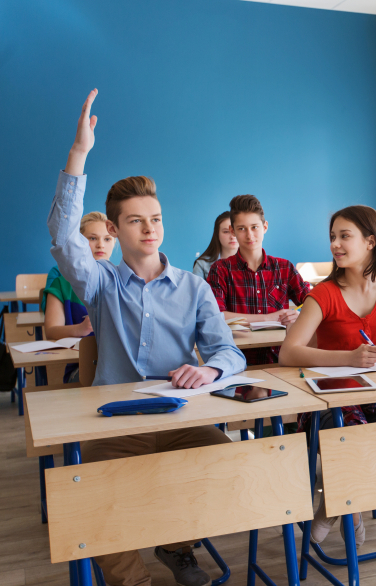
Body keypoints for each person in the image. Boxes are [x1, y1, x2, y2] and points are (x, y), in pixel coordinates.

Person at [49, 89, 247, 586]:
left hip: (181, 414)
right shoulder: (100, 282)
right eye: (136, 221)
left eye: (155, 219)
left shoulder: (193, 286)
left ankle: (176, 544)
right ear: (115, 230)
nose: (149, 228)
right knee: (89, 492)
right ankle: (134, 580)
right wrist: (80, 155)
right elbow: (61, 235)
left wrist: (210, 368)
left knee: (232, 466)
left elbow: (229, 351)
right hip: (115, 423)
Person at [278, 205, 376, 548]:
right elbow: (288, 352)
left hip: (375, 392)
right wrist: (348, 358)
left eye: (344, 236)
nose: (335, 244)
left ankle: (333, 506)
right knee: (353, 440)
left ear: (370, 242)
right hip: (328, 398)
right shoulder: (323, 294)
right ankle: (350, 509)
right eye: (333, 237)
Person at [206, 194, 310, 365]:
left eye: (254, 227)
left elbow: (313, 303)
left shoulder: (284, 268)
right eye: (241, 228)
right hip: (236, 362)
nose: (249, 235)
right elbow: (217, 316)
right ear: (232, 231)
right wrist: (270, 318)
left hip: (279, 360)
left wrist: (297, 315)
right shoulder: (220, 270)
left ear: (265, 226)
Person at [42, 211, 116, 382]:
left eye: (107, 239)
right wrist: (81, 329)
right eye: (92, 238)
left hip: (119, 368)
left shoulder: (124, 281)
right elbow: (51, 331)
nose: (100, 245)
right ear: (79, 244)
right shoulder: (61, 284)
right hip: (82, 368)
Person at [192, 211, 238, 280]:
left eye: (236, 231)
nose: (232, 237)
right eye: (226, 231)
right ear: (217, 234)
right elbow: (195, 290)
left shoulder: (256, 262)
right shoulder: (202, 265)